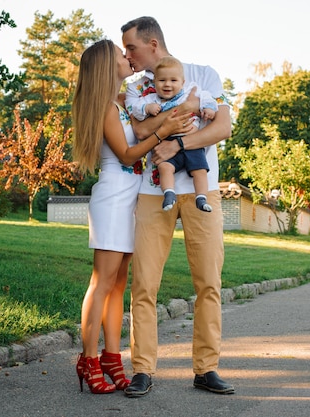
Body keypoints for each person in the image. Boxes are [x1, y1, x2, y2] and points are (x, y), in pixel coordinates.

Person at [121, 16, 235, 397]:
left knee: (209, 283)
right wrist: (177, 118)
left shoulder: (204, 75)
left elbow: (222, 127)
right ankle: (142, 369)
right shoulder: (136, 87)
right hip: (153, 194)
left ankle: (207, 368)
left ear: (153, 44)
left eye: (131, 47)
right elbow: (137, 131)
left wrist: (177, 144)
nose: (127, 55)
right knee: (144, 284)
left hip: (204, 192)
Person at [71, 38, 192, 395]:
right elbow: (126, 155)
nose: (128, 59)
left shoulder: (122, 104)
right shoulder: (107, 108)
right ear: (109, 67)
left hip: (129, 201)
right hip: (112, 199)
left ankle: (111, 357)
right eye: (121, 56)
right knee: (102, 283)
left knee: (118, 286)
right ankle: (88, 359)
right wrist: (163, 132)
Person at [128, 55, 217, 212]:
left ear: (182, 82)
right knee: (164, 168)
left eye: (173, 80)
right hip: (166, 141)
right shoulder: (151, 99)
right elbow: (136, 109)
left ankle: (201, 198)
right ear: (155, 83)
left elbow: (207, 98)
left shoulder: (191, 91)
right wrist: (147, 109)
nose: (167, 84)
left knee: (200, 171)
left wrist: (209, 108)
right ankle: (169, 193)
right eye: (162, 81)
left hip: (191, 142)